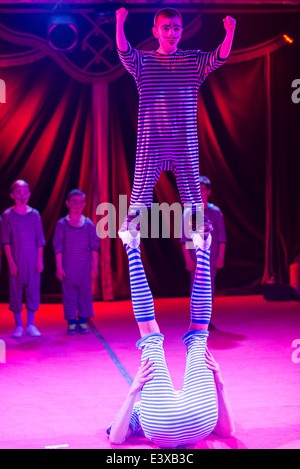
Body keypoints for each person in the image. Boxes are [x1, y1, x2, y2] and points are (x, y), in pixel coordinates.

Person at [107, 226, 235, 448]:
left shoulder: (140, 411)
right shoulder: (149, 404)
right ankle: (134, 247)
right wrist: (219, 384)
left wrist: (133, 392)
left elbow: (116, 438)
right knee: (153, 334)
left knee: (198, 334)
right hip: (191, 419)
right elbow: (227, 432)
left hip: (187, 422)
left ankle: (202, 251)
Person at [116, 7, 236, 233]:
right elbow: (124, 53)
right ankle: (134, 216)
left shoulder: (192, 61)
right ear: (156, 31)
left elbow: (219, 57)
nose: (171, 33)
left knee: (191, 185)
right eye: (166, 28)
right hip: (153, 139)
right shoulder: (144, 62)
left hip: (183, 140)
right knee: (142, 181)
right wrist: (119, 23)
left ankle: (197, 220)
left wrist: (229, 33)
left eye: (176, 28)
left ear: (182, 31)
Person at [1, 180, 45, 338]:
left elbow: (39, 240)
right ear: (12, 195)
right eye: (18, 192)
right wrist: (11, 262)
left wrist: (39, 260)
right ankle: (18, 325)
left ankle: (31, 324)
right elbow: (6, 241)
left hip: (32, 260)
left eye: (25, 191)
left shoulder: (34, 215)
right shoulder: (7, 215)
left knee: (33, 291)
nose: (22, 195)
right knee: (16, 291)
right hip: (16, 260)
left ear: (29, 194)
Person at [52, 189, 100, 335]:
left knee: (85, 294)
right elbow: (58, 247)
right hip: (68, 266)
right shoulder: (62, 224)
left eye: (80, 202)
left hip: (84, 267)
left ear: (84, 204)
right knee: (69, 294)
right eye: (74, 202)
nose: (77, 205)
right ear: (68, 203)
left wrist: (95, 266)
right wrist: (59, 267)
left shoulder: (89, 224)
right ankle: (72, 321)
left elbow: (94, 247)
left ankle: (83, 320)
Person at [181, 175, 226, 315]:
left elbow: (222, 237)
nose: (200, 192)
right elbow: (185, 238)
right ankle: (196, 319)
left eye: (203, 189)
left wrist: (220, 257)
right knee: (196, 288)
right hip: (195, 257)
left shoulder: (216, 212)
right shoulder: (189, 212)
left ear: (209, 191)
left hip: (211, 257)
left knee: (209, 287)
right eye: (197, 190)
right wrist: (188, 259)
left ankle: (206, 319)